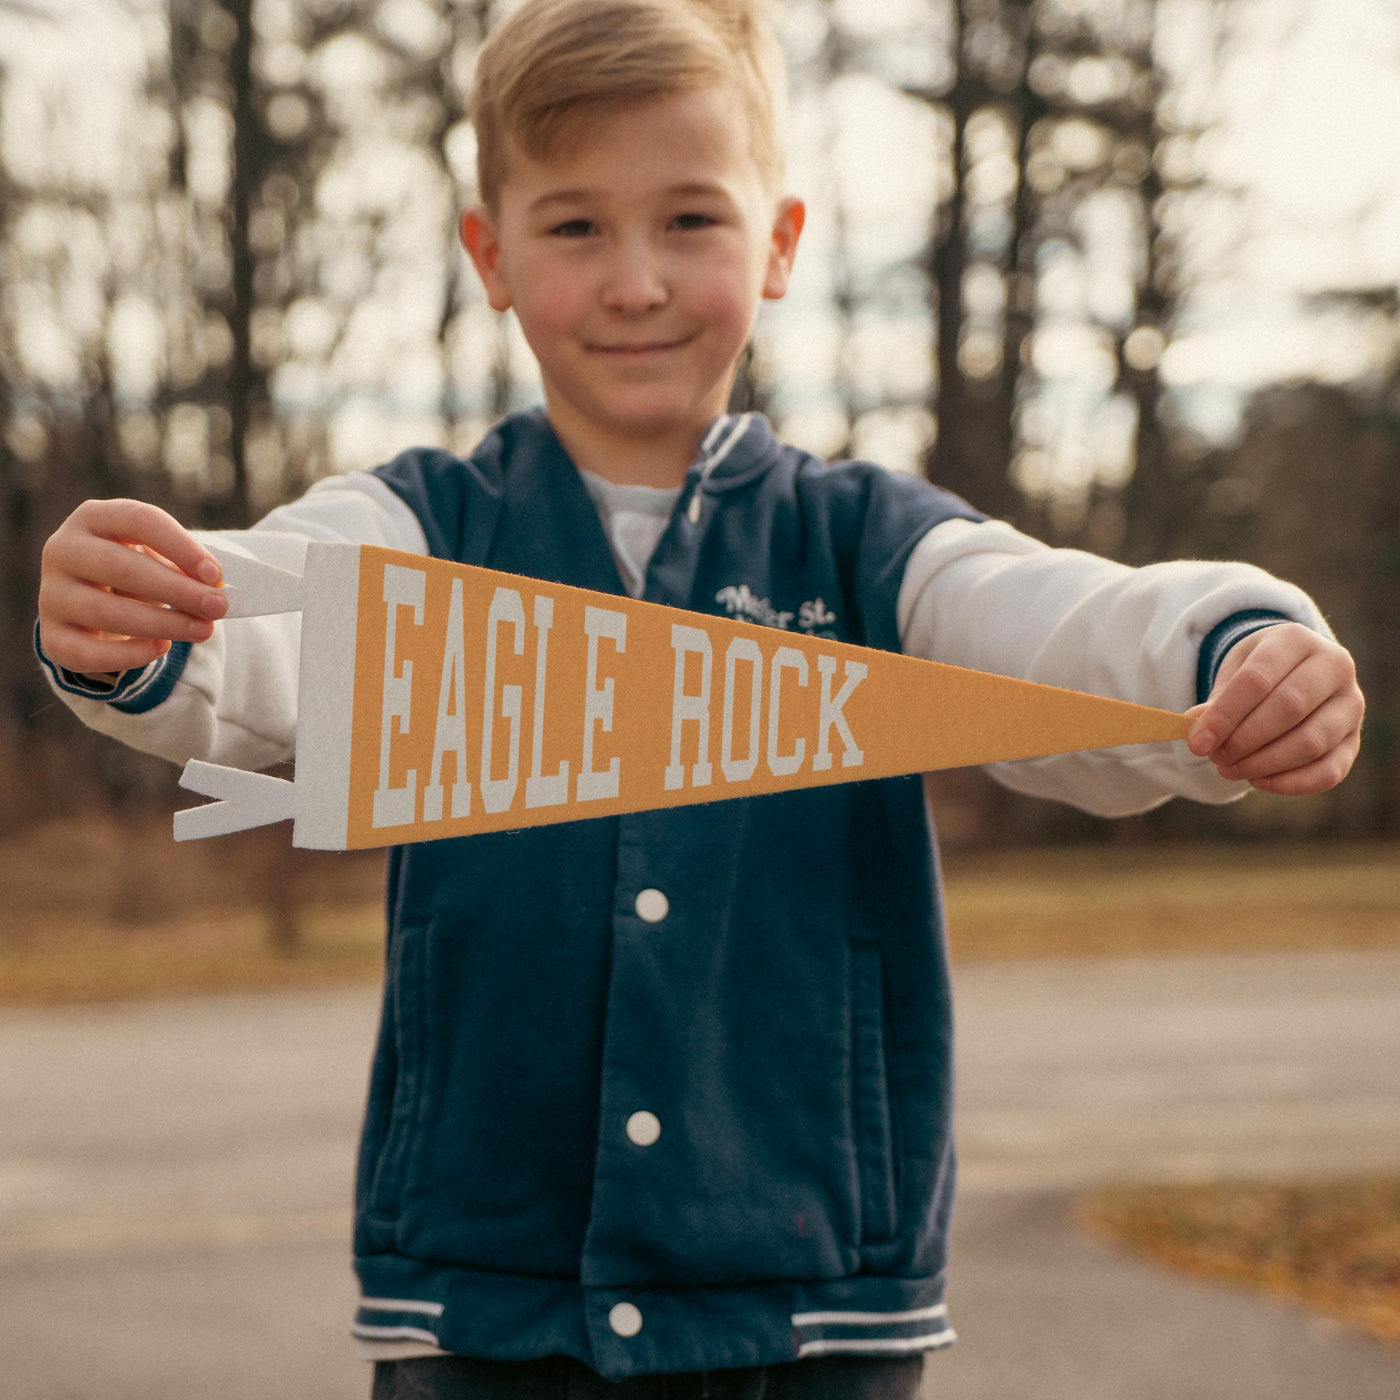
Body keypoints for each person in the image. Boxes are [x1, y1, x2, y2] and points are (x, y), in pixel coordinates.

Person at [36, 1, 1363, 1396]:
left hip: (812, 1312)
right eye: (574, 227)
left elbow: (1055, 627)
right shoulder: (423, 525)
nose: (634, 282)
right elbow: (264, 626)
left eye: (687, 220)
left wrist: (1235, 644)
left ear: (778, 242)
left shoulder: (865, 543)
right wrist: (143, 622)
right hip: (486, 1308)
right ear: (488, 253)